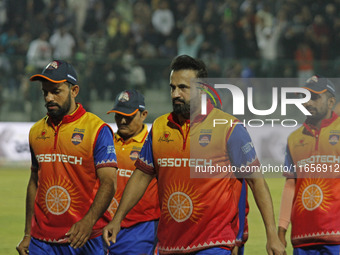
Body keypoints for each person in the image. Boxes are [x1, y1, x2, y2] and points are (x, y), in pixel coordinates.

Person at [103, 55, 285, 254]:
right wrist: (118, 219)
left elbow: (256, 182)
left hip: (213, 243)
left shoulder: (228, 127)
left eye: (183, 87)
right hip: (170, 244)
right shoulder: (159, 127)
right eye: (172, 87)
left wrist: (271, 234)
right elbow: (141, 176)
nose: (175, 94)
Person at [16, 60, 117, 255]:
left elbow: (109, 183)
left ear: (74, 90)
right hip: (41, 240)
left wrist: (88, 221)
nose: (49, 98)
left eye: (56, 91)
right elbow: (34, 182)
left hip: (84, 237)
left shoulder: (97, 130)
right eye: (45, 92)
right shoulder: (36, 131)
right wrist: (28, 234)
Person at [278, 75, 340, 254]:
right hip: (302, 238)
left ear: (330, 102)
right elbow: (291, 185)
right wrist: (282, 228)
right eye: (304, 98)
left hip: (336, 237)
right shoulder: (294, 138)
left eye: (314, 97)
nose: (307, 103)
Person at [106, 89, 160, 255]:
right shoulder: (105, 141)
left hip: (140, 229)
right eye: (117, 115)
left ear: (143, 115)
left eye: (128, 116)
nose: (122, 120)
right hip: (103, 227)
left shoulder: (155, 144)